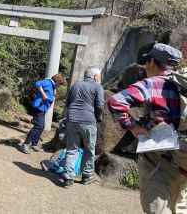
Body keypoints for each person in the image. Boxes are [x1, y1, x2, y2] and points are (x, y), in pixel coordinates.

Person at [108, 43, 186, 214]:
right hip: (183, 162)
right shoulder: (183, 86)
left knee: (156, 209)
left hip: (159, 160)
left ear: (151, 62)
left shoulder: (153, 84)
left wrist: (133, 127)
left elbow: (116, 102)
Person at [62, 67, 104, 187]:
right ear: (95, 76)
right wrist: (98, 117)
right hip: (88, 121)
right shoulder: (97, 87)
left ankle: (68, 178)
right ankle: (86, 176)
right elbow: (100, 105)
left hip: (72, 120)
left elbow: (68, 103)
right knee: (89, 149)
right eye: (99, 76)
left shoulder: (75, 85)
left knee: (72, 149)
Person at [21, 74, 65, 154]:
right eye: (59, 84)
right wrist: (43, 94)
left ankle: (34, 144)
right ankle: (26, 144)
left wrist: (54, 91)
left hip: (43, 108)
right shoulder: (47, 82)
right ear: (57, 81)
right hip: (38, 107)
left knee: (41, 126)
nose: (59, 86)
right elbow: (37, 84)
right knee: (38, 126)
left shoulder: (52, 85)